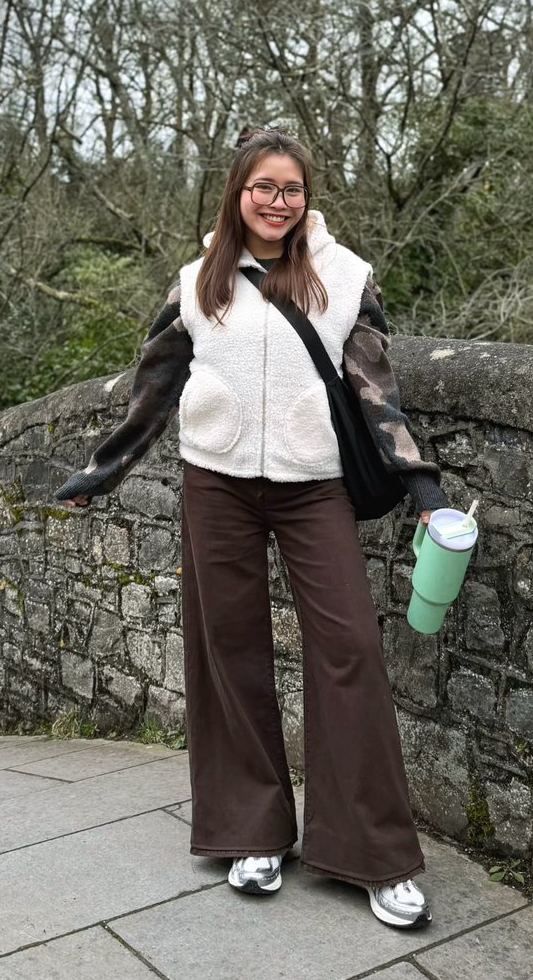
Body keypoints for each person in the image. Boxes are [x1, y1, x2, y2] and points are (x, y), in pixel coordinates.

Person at [55, 126, 446, 928]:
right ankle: (253, 832)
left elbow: (377, 392)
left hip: (313, 489)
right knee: (228, 650)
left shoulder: (345, 277)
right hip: (217, 485)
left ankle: (375, 854)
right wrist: (99, 474)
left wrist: (427, 492)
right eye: (263, 186)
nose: (277, 200)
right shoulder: (199, 280)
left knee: (350, 650)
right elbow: (152, 390)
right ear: (237, 193)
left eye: (291, 188)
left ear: (308, 197)